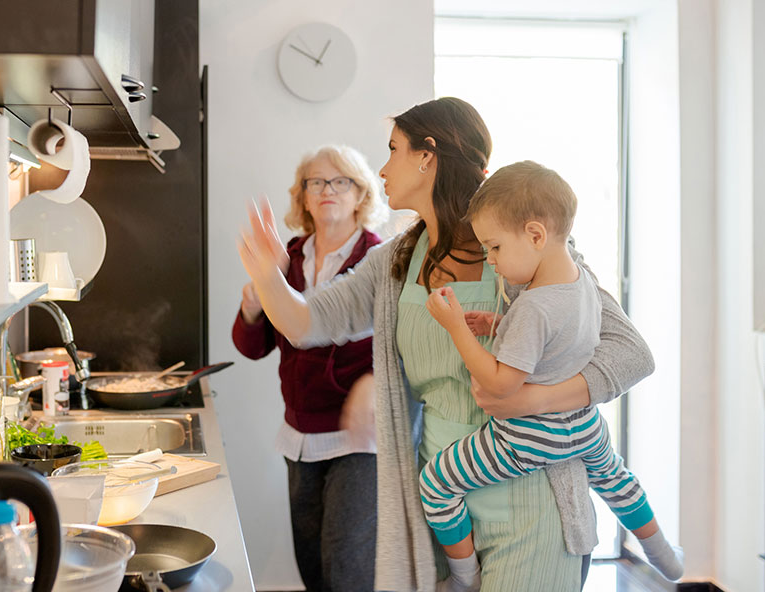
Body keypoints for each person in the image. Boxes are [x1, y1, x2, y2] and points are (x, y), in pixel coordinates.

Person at [236, 97, 656, 591]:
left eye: (393, 150)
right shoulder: (394, 263)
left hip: (532, 502)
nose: (384, 167)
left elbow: (632, 354)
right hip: (444, 504)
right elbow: (307, 323)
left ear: (427, 156)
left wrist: (531, 399)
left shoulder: (520, 249)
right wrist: (267, 275)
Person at [420, 161, 683, 590]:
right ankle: (663, 556)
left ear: (536, 235)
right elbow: (559, 343)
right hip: (584, 426)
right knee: (617, 480)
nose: (491, 261)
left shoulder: (533, 306)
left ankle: (464, 578)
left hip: (527, 437)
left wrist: (454, 328)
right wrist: (496, 324)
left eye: (495, 248)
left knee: (436, 483)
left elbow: (500, 384)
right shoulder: (581, 284)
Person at [232, 145, 388, 592]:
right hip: (299, 437)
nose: (327, 190)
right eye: (315, 182)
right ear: (301, 197)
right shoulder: (286, 258)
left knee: (347, 570)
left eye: (341, 181)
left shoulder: (380, 262)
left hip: (359, 439)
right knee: (313, 568)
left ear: (361, 195)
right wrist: (250, 307)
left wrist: (375, 383)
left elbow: (403, 345)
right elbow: (253, 346)